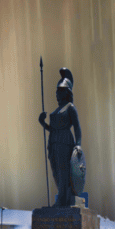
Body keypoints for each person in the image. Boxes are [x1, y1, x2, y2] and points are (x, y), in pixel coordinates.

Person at [38, 68, 82, 207]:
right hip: (53, 142)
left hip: (65, 142)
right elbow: (53, 129)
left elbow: (77, 127)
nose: (58, 93)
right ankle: (61, 197)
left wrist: (78, 144)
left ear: (67, 92)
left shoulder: (70, 108)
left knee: (63, 172)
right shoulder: (56, 110)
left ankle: (64, 199)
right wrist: (42, 123)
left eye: (61, 91)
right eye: (57, 91)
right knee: (56, 172)